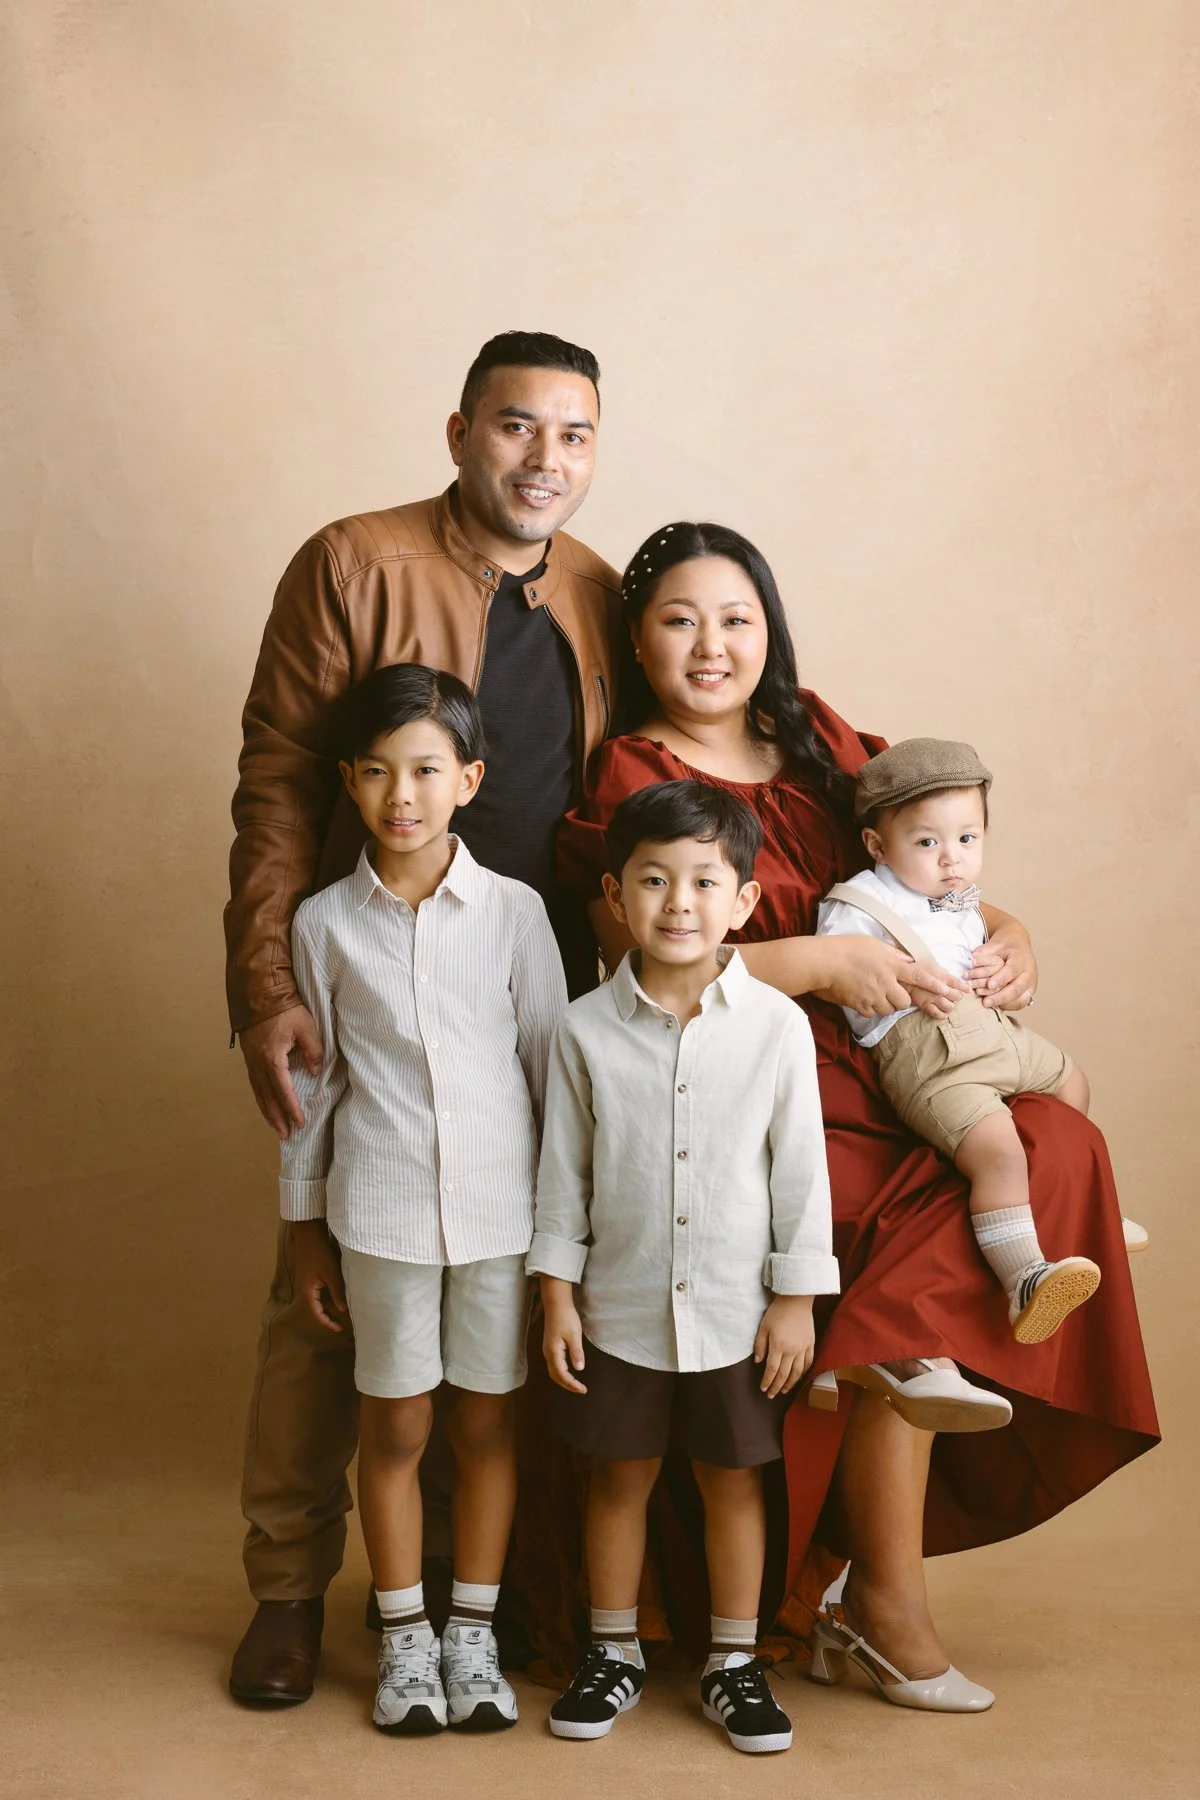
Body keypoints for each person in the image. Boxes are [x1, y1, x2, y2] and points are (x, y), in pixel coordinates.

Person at [549, 520, 1158, 1710]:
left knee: (1059, 1134)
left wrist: (1012, 932)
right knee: (917, 1228)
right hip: (756, 1074)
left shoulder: (824, 741)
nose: (712, 645)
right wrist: (821, 964)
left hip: (897, 1059)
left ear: (769, 628)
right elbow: (646, 967)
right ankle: (879, 1592)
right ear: (638, 639)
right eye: (680, 620)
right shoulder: (633, 772)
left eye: (737, 618)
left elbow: (926, 866)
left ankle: (897, 1376)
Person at [225, 330, 622, 1705]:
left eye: (574, 434)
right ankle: (289, 1589)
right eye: (516, 427)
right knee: (325, 1314)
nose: (544, 459)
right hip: (370, 988)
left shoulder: (599, 592)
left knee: (505, 1339)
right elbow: (279, 775)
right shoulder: (355, 561)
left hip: (531, 989)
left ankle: (470, 1599)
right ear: (460, 433)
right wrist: (269, 985)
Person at [280, 665, 566, 1733]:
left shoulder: (515, 913)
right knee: (396, 1426)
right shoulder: (324, 924)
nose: (401, 795)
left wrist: (561, 1241)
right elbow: (316, 1093)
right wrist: (305, 1231)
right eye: (375, 772)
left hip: (501, 1220)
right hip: (382, 1216)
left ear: (468, 780)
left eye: (425, 770)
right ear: (349, 783)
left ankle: (471, 1634)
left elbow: (551, 1074)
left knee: (486, 1426)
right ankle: (403, 1636)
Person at [529, 781, 839, 1754]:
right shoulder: (582, 1029)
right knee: (617, 1478)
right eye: (654, 879)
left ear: (743, 902)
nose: (678, 902)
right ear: (615, 896)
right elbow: (562, 1177)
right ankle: (611, 1651)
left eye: (705, 881)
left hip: (739, 1312)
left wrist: (795, 1299)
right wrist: (555, 1296)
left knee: (732, 1481)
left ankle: (734, 1663)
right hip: (616, 1306)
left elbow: (802, 1171)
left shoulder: (776, 1026)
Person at [815, 737, 1148, 1350]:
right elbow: (845, 988)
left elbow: (989, 950)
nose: (952, 859)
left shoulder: (960, 901)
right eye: (927, 843)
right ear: (877, 845)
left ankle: (1071, 1211)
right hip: (935, 1060)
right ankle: (1025, 1277)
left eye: (968, 839)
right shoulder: (858, 904)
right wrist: (894, 985)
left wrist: (1002, 966)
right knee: (999, 1153)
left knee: (1072, 1083)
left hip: (996, 1036)